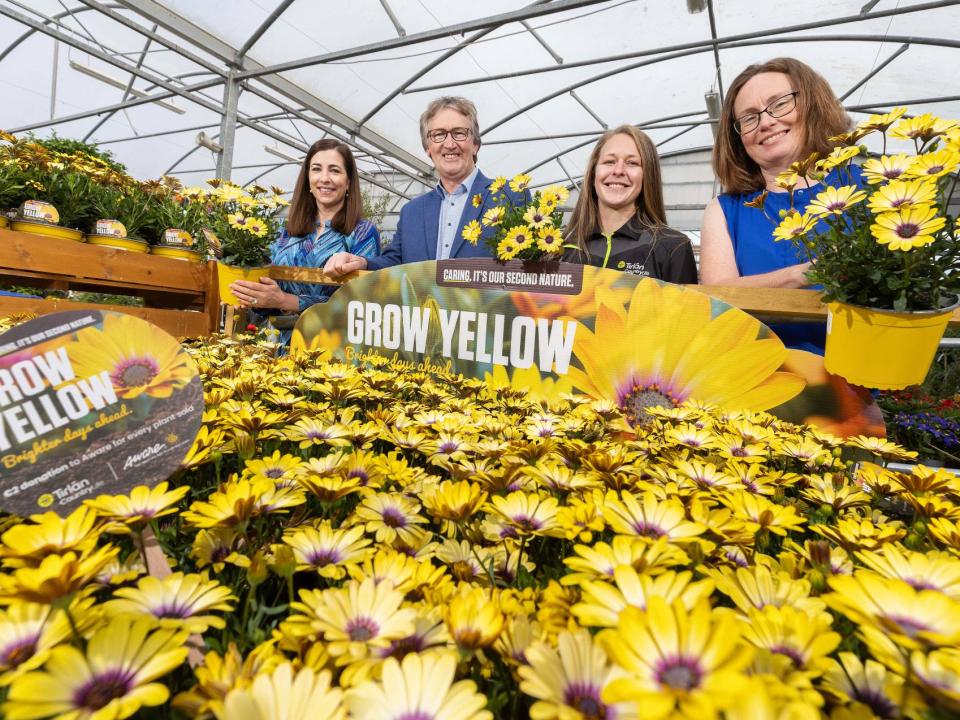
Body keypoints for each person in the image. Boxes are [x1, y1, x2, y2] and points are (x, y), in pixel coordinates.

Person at [699, 57, 853, 353]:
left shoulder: (870, 186)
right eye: (749, 118)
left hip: (860, 372)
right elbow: (717, 295)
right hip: (757, 371)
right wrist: (803, 274)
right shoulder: (725, 210)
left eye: (780, 104)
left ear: (812, 104)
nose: (766, 122)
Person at [323, 96, 523, 277]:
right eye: (438, 134)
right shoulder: (412, 212)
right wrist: (363, 263)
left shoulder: (509, 197)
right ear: (428, 148)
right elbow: (394, 263)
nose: (449, 144)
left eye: (459, 133)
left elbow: (525, 269)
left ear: (475, 144)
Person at [229, 139, 381, 342]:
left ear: (348, 182)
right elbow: (267, 296)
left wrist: (286, 300)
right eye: (316, 169)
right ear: (308, 178)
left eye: (335, 170)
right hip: (281, 345)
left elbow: (361, 305)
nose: (324, 178)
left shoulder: (363, 233)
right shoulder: (285, 233)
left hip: (333, 347)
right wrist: (250, 295)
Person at [563, 125, 697, 283]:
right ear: (593, 173)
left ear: (647, 175)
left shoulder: (673, 247)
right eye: (609, 161)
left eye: (632, 163)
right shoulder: (559, 247)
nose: (618, 170)